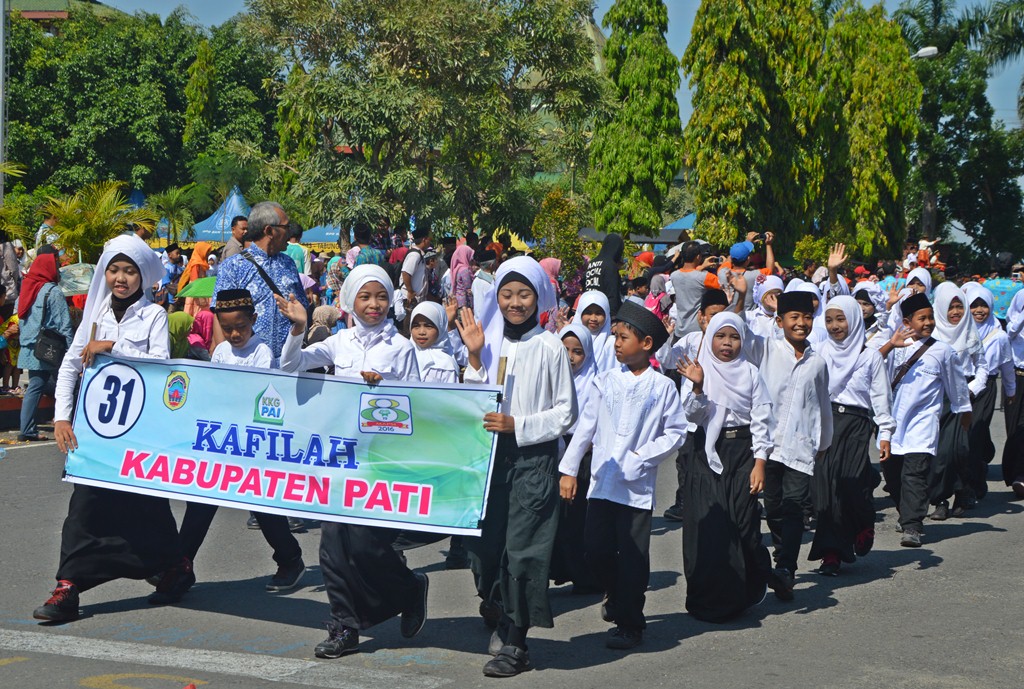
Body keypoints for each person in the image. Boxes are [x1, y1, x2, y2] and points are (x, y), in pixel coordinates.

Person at [275, 264, 427, 660]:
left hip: (380, 459)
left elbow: (417, 403)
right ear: (350, 302)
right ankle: (343, 626)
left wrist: (387, 389)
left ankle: (410, 588)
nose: (374, 305)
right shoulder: (339, 342)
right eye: (365, 297)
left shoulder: (402, 346)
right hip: (338, 458)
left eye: (380, 296)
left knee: (366, 546)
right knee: (332, 549)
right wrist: (296, 329)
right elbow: (290, 367)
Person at [34, 235, 187, 622]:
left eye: (130, 271)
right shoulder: (95, 312)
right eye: (115, 270)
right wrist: (62, 418)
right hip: (95, 430)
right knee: (85, 506)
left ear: (142, 277)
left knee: (148, 507)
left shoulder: (153, 315)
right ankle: (68, 587)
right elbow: (72, 364)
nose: (121, 278)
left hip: (139, 430)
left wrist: (112, 347)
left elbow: (158, 367)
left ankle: (172, 568)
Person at [455, 256, 577, 678]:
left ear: (538, 296)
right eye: (507, 294)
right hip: (491, 460)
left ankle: (517, 642)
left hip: (533, 461)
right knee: (484, 548)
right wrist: (473, 359)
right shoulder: (489, 340)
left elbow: (566, 413)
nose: (514, 302)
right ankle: (500, 607)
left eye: (524, 294)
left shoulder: (550, 347)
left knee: (524, 553)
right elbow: (475, 402)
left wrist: (518, 425)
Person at [559, 301, 685, 650]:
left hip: (635, 489)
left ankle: (631, 622)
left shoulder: (662, 387)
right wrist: (568, 470)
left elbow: (676, 432)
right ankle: (614, 595)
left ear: (646, 344)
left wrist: (642, 458)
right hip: (601, 482)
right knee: (595, 550)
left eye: (623, 337)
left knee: (632, 558)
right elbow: (585, 429)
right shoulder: (604, 381)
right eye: (614, 336)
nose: (615, 342)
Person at [171, 289, 306, 595]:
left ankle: (290, 559)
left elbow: (252, 393)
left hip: (252, 440)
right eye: (228, 328)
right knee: (201, 502)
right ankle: (179, 566)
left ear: (253, 321)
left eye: (241, 327)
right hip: (221, 439)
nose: (234, 334)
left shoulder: (261, 352)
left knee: (262, 505)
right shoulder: (220, 352)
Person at [677, 311, 773, 622]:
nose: (727, 343)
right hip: (705, 452)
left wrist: (760, 464)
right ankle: (712, 601)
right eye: (720, 336)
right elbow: (690, 417)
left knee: (744, 524)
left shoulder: (751, 373)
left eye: (733, 337)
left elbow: (762, 420)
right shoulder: (697, 370)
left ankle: (755, 579)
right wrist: (697, 388)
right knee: (712, 528)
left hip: (742, 451)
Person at [748, 290, 832, 600]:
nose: (801, 324)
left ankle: (786, 568)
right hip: (768, 446)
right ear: (780, 321)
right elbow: (742, 332)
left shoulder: (818, 362)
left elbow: (822, 404)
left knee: (794, 506)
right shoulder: (766, 350)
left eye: (807, 317)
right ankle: (780, 562)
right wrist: (747, 297)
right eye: (794, 318)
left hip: (800, 446)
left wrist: (824, 442)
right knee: (774, 508)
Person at [877, 293, 972, 547]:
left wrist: (964, 411)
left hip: (923, 424)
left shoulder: (942, 351)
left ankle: (913, 526)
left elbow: (957, 386)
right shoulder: (896, 348)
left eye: (930, 317)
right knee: (893, 475)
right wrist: (890, 346)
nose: (928, 322)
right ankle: (905, 512)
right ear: (907, 322)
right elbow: (872, 370)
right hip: (893, 424)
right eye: (922, 318)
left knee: (915, 474)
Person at [808, 297, 894, 575]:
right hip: (826, 420)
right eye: (830, 319)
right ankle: (832, 553)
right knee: (826, 488)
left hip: (857, 422)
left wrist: (885, 433)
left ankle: (864, 521)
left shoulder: (869, 356)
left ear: (854, 320)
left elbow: (881, 395)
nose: (834, 326)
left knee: (851, 483)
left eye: (841, 319)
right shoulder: (819, 351)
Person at [657, 289, 732, 520]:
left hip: (718, 417)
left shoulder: (730, 345)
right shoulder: (691, 340)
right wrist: (666, 337)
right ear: (701, 317)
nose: (716, 321)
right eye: (712, 315)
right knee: (686, 463)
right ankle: (684, 502)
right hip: (690, 419)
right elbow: (667, 360)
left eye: (722, 315)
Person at [212, 202, 308, 359]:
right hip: (249, 364)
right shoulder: (233, 265)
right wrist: (225, 363)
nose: (290, 232)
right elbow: (219, 315)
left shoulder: (288, 264)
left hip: (286, 363)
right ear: (269, 230)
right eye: (286, 227)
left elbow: (301, 309)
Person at [925, 282, 985, 520]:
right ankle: (940, 498)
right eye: (950, 307)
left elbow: (982, 366)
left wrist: (973, 388)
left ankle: (962, 491)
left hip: (966, 397)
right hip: (940, 398)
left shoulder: (971, 331)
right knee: (941, 452)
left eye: (959, 306)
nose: (955, 312)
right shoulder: (934, 334)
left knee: (961, 449)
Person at [549, 323, 599, 592]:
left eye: (577, 351)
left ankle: (584, 574)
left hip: (582, 452)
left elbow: (596, 420)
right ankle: (560, 567)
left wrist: (583, 447)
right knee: (557, 516)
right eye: (564, 349)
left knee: (578, 516)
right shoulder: (550, 377)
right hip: (553, 447)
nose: (570, 356)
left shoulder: (594, 381)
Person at [963, 283, 1015, 501]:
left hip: (986, 387)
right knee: (962, 436)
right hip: (962, 386)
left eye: (983, 306)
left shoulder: (999, 335)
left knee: (975, 433)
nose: (979, 311)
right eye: (974, 306)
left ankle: (974, 486)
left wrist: (1010, 391)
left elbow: (1007, 365)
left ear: (991, 307)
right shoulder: (960, 331)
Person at [16, 252, 72, 441]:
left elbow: (21, 316)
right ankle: (32, 428)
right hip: (50, 348)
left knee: (36, 385)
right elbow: (64, 324)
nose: (57, 270)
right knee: (68, 384)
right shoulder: (52, 291)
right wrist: (73, 350)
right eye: (55, 265)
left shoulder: (27, 287)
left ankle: (28, 428)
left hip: (30, 346)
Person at [671, 242, 723, 338]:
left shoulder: (674, 276)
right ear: (698, 256)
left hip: (679, 330)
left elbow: (689, 276)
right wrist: (723, 266)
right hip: (697, 330)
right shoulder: (705, 277)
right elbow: (723, 286)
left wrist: (702, 267)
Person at [408, 301, 458, 383]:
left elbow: (450, 394)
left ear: (441, 327)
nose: (421, 332)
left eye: (429, 326)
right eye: (416, 326)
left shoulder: (446, 365)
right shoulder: (404, 355)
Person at [572, 291, 617, 372]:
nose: (593, 318)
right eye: (588, 313)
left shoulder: (612, 344)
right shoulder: (569, 339)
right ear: (580, 314)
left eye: (599, 313)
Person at [585, 233, 624, 315]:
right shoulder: (610, 265)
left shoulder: (592, 263)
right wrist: (613, 317)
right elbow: (612, 293)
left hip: (588, 307)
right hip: (603, 312)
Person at [398, 226, 432, 321]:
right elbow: (406, 273)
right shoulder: (414, 255)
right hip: (411, 299)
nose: (430, 242)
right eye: (429, 239)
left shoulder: (419, 254)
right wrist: (410, 291)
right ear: (424, 240)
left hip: (417, 299)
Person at [178, 241, 213, 317]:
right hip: (196, 294)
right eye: (206, 251)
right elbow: (194, 282)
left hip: (200, 291)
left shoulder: (201, 263)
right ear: (201, 251)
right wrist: (200, 298)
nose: (207, 254)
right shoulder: (196, 264)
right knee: (196, 314)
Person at [449, 243, 476, 309]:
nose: (471, 259)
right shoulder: (465, 270)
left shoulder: (457, 268)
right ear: (465, 255)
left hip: (459, 302)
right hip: (465, 304)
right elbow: (468, 289)